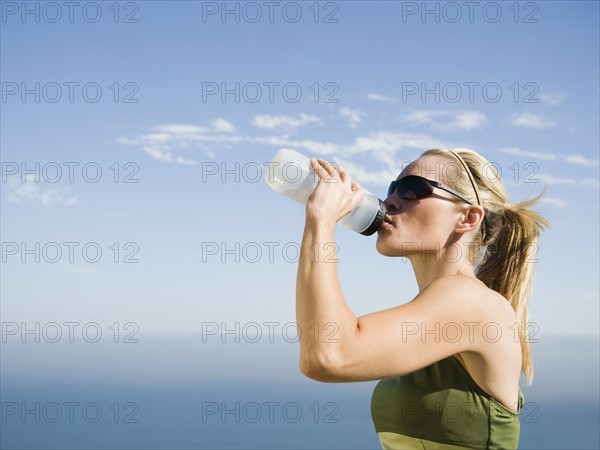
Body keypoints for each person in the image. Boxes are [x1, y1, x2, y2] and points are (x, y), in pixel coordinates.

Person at [296, 147, 549, 450]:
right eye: (392, 188)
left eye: (413, 190)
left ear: (468, 217)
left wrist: (321, 221)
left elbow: (327, 356)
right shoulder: (442, 311)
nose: (390, 200)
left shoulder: (472, 302)